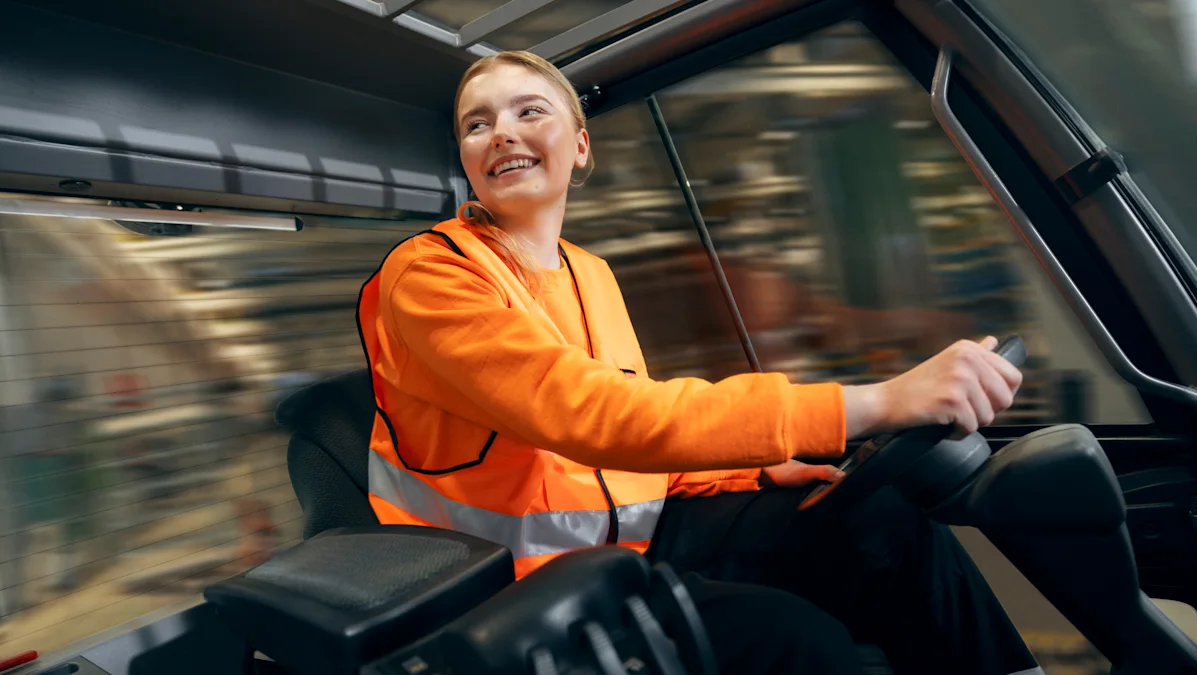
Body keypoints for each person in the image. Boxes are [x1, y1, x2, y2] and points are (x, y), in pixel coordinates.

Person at [356, 50, 1042, 675]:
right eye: (477, 124)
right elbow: (596, 416)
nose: (501, 131)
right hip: (526, 588)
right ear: (468, 158)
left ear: (581, 143)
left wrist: (749, 466)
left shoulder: (589, 272)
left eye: (528, 110)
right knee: (806, 645)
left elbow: (628, 434)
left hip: (639, 533)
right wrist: (877, 402)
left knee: (881, 525)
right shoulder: (428, 274)